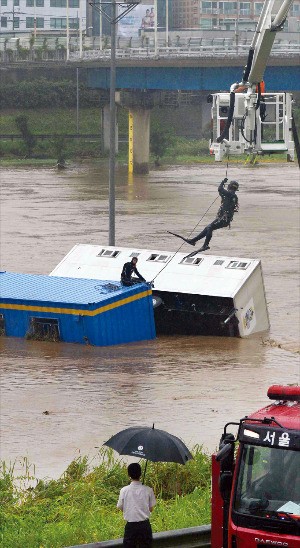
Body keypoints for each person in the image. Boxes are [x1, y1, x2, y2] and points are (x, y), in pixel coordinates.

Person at [169, 179, 239, 252]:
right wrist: (222, 191)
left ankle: (205, 245)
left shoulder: (230, 194)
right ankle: (193, 240)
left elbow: (220, 189)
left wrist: (223, 182)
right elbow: (223, 194)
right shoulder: (233, 196)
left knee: (210, 227)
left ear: (230, 186)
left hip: (224, 219)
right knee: (207, 228)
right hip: (224, 219)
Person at [117, 462, 156, 547]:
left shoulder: (124, 490)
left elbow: (120, 506)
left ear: (129, 474)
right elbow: (151, 508)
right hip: (145, 526)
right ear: (140, 474)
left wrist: (129, 509)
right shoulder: (148, 490)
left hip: (131, 526)